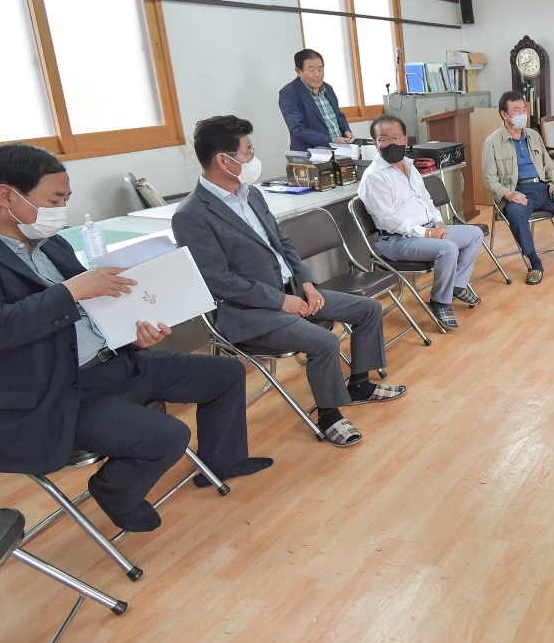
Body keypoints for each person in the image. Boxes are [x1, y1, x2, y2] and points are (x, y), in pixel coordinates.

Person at [0, 144, 270, 532]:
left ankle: (223, 461)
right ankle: (113, 491)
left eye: (65, 200)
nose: (60, 210)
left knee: (225, 374)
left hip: (112, 363)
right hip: (54, 390)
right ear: (6, 195)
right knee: (168, 437)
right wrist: (71, 291)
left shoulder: (48, 241)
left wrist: (131, 334)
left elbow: (93, 308)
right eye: (54, 200)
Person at [172, 116, 405, 448]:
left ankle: (359, 385)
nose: (253, 158)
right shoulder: (192, 214)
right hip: (251, 312)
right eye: (248, 151)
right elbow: (219, 281)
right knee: (324, 341)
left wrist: (306, 284)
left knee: (368, 309)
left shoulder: (251, 194)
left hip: (293, 291)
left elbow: (282, 244)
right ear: (224, 160)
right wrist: (282, 302)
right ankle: (329, 416)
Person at [359, 114, 485, 329]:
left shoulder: (410, 166)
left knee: (474, 234)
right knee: (448, 248)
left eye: (395, 137)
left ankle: (456, 285)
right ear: (375, 143)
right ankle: (439, 301)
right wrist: (427, 234)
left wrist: (438, 223)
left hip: (426, 230)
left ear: (405, 139)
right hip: (396, 240)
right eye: (383, 139)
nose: (391, 143)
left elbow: (426, 200)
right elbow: (389, 220)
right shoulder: (374, 177)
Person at [481, 91, 554, 285]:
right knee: (516, 214)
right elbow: (490, 179)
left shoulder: (534, 135)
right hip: (518, 193)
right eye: (517, 110)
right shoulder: (492, 142)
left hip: (543, 190)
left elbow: (549, 166)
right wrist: (509, 194)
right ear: (504, 114)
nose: (522, 114)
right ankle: (535, 263)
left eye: (524, 109)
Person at [278, 48, 353, 151]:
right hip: (310, 154)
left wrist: (346, 130)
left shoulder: (328, 88)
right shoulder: (289, 93)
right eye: (311, 70)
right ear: (298, 71)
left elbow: (339, 116)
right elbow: (298, 130)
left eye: (320, 69)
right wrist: (332, 140)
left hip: (339, 150)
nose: (317, 74)